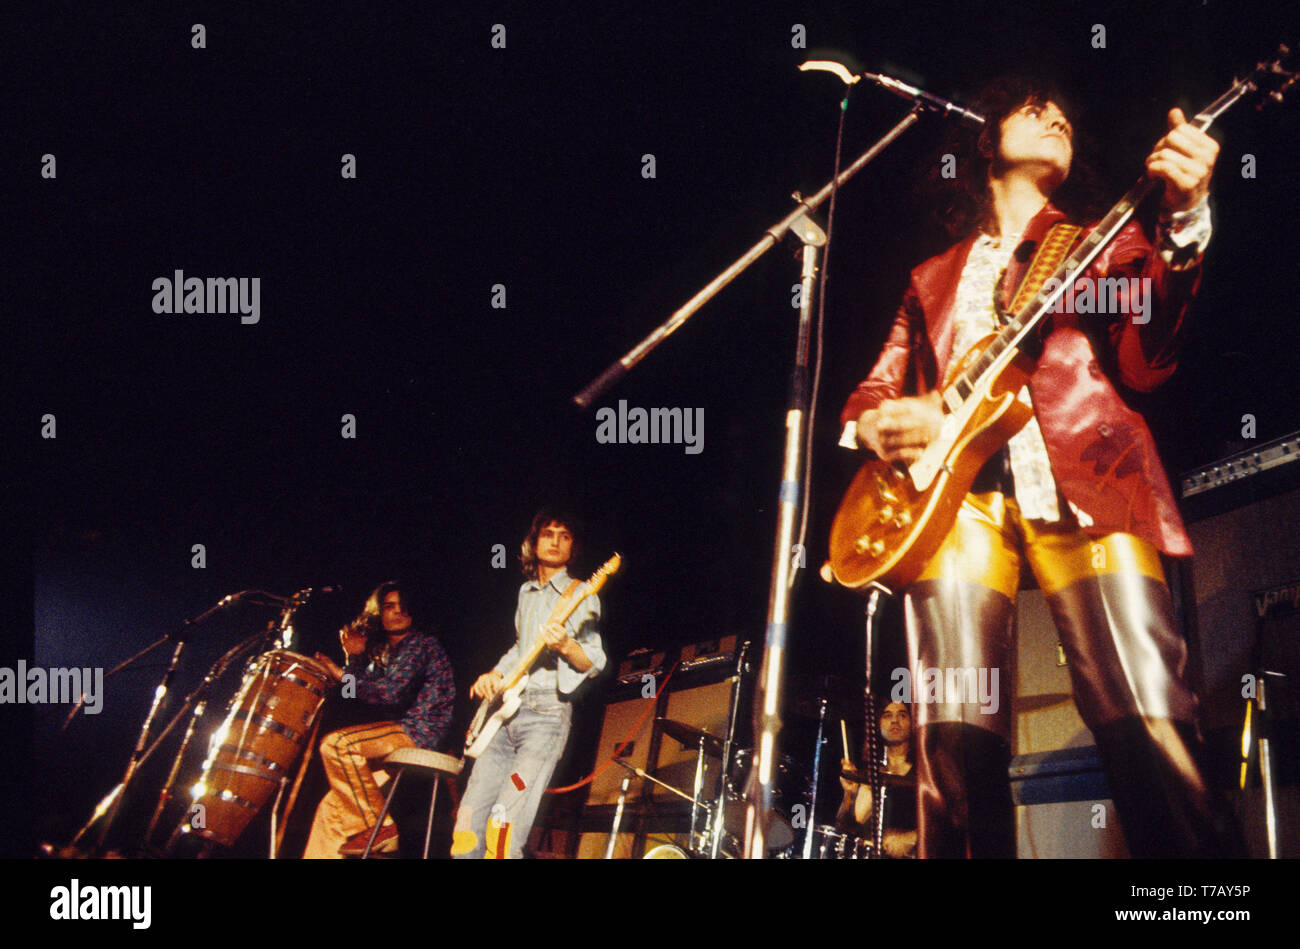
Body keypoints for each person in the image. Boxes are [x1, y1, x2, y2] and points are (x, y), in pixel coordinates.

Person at [838, 76, 1233, 858]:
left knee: (1149, 720)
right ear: (985, 141)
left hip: (1086, 480)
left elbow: (1148, 360)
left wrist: (1185, 217)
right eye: (1031, 108)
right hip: (950, 506)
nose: (1056, 116)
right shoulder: (931, 277)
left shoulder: (1103, 239)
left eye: (1064, 112)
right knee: (951, 745)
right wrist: (879, 424)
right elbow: (875, 389)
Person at [452, 510, 606, 858]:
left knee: (503, 828)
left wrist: (566, 645)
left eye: (564, 535)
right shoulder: (527, 592)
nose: (554, 541)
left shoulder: (581, 593)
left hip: (546, 717)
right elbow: (521, 649)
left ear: (573, 547)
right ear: (533, 542)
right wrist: (494, 674)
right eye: (548, 533)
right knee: (466, 825)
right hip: (506, 715)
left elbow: (595, 661)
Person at [303, 581, 455, 857]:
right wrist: (354, 658)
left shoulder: (422, 644)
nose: (397, 612)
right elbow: (353, 692)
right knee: (333, 807)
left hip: (418, 735)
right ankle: (375, 832)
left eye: (403, 606)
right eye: (388, 607)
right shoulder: (388, 655)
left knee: (338, 745)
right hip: (395, 737)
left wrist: (340, 672)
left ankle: (381, 828)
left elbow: (389, 695)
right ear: (379, 613)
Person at [837, 701, 917, 859]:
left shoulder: (925, 771)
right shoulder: (869, 774)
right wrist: (849, 795)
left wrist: (912, 838)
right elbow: (846, 828)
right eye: (887, 715)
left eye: (902, 715)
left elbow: (949, 822)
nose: (895, 721)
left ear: (913, 722)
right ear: (877, 724)